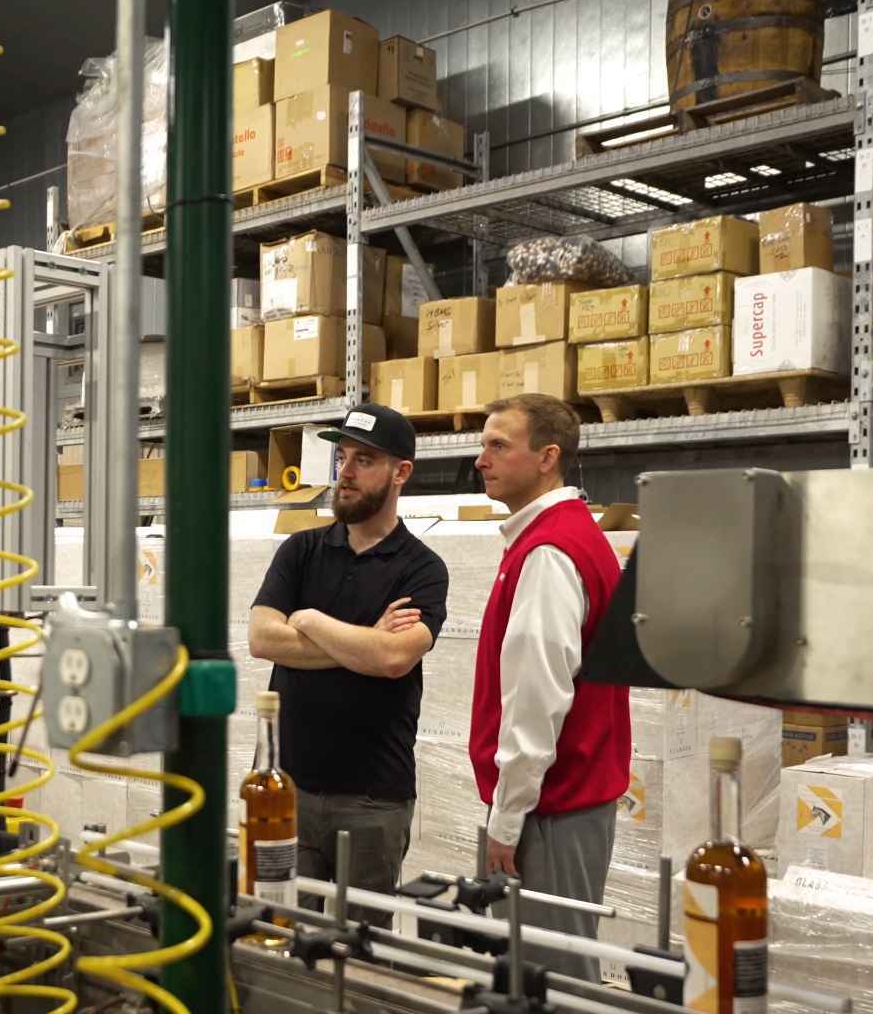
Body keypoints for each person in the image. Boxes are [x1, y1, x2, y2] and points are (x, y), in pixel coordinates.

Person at [248, 404, 449, 912]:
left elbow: (394, 659)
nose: (346, 473)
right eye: (342, 458)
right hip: (285, 790)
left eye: (365, 459)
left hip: (372, 801)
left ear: (401, 472)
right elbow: (262, 639)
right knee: (278, 933)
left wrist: (311, 620)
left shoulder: (422, 569)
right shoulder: (300, 551)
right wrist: (363, 645)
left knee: (361, 957)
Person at [468, 394, 630, 981]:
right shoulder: (563, 537)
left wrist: (506, 819)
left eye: (498, 445)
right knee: (540, 976)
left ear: (548, 458)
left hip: (550, 810)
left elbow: (538, 698)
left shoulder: (550, 554)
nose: (480, 459)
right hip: (559, 804)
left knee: (550, 988)